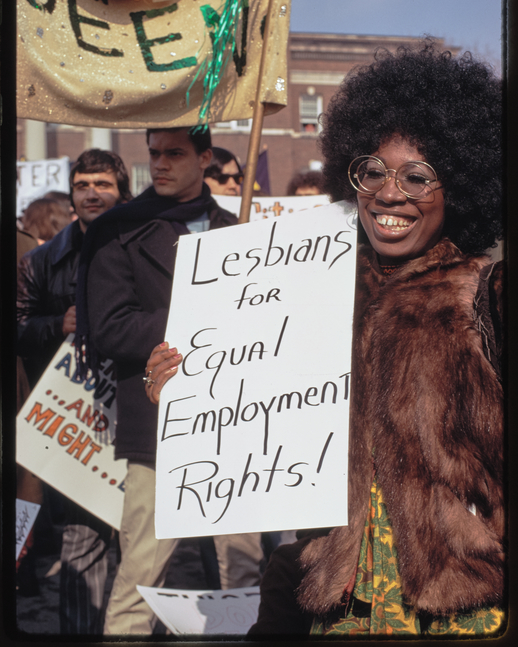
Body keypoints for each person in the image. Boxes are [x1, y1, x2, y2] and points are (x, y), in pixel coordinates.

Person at [146, 41, 505, 638]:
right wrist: (188, 391)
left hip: (461, 613)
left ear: (461, 184)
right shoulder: (305, 289)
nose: (390, 194)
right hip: (332, 606)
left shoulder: (485, 298)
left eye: (419, 176)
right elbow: (251, 414)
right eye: (372, 171)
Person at [75, 127, 265, 635]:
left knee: (243, 571)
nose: (159, 164)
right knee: (140, 575)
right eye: (154, 153)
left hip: (237, 424)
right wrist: (199, 319)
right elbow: (111, 327)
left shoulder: (239, 227)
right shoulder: (118, 231)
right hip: (160, 427)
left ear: (205, 157)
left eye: (174, 154)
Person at [17, 148, 132, 633]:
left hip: (133, 416)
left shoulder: (145, 245)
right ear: (71, 195)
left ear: (121, 192)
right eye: (83, 184)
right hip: (75, 418)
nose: (91, 193)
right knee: (80, 540)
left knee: (139, 544)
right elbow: (17, 325)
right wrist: (53, 325)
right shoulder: (41, 261)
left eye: (102, 184)